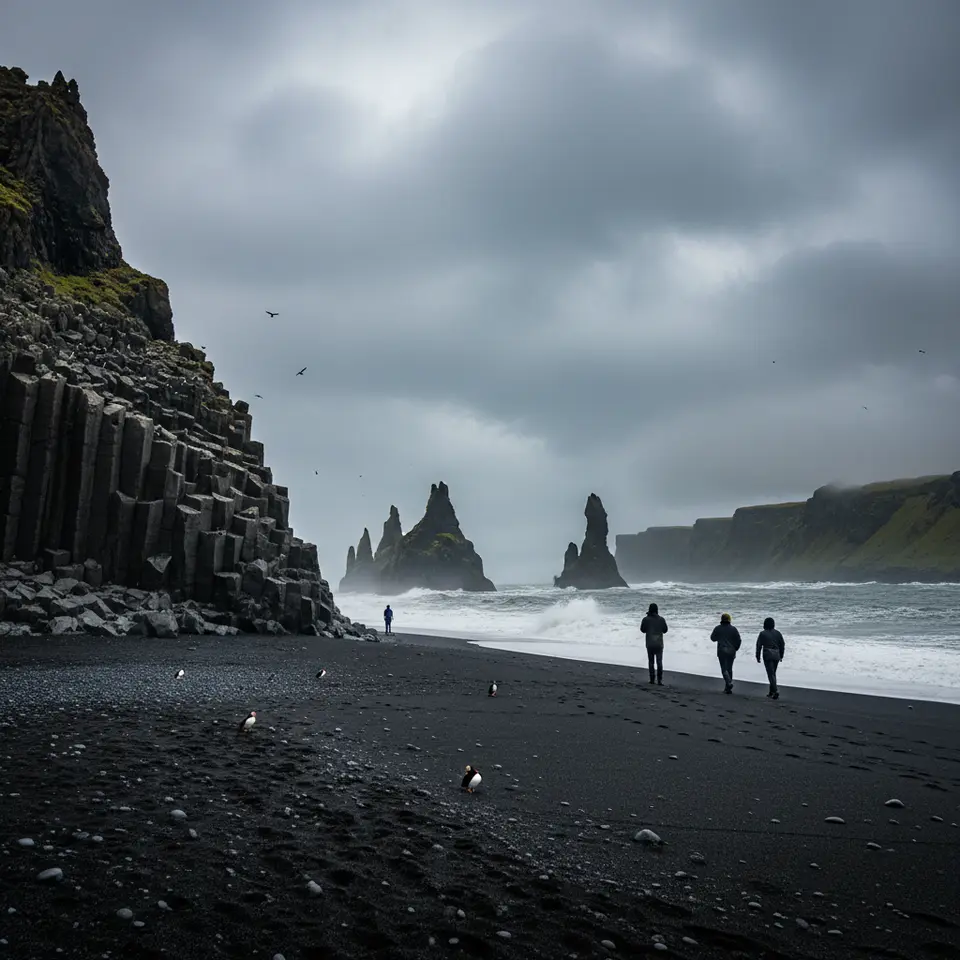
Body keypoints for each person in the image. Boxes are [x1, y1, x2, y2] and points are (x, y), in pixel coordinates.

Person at [710, 613, 742, 694]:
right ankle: (728, 688)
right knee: (730, 669)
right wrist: (736, 648)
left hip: (721, 650)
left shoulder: (718, 628)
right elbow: (739, 640)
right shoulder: (734, 629)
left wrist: (719, 637)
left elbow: (712, 638)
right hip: (731, 651)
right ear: (729, 619)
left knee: (724, 669)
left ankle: (728, 683)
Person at [756, 616, 785, 699]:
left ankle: (775, 691)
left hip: (767, 654)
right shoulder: (778, 633)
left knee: (770, 674)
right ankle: (771, 692)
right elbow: (782, 645)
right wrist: (781, 655)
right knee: (773, 673)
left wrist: (757, 656)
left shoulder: (762, 633)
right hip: (776, 654)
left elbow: (758, 645)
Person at [639, 602, 669, 685]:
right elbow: (665, 630)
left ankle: (652, 679)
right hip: (659, 643)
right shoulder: (661, 619)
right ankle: (660, 680)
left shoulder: (646, 619)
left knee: (651, 661)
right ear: (657, 610)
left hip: (650, 643)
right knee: (659, 662)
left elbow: (642, 630)